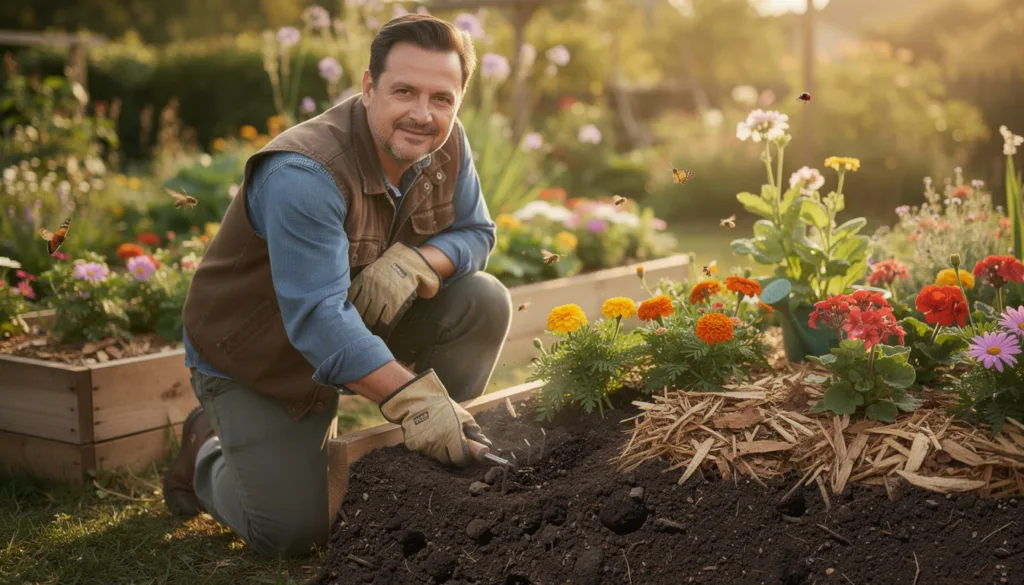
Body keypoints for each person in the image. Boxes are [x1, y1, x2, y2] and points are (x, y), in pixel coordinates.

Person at [164, 13, 512, 558]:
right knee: (294, 532)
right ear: (369, 88)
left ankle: (438, 454)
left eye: (442, 98)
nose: (423, 114)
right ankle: (205, 448)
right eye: (404, 91)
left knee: (483, 299)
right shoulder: (304, 172)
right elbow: (318, 320)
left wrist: (420, 262)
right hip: (260, 356)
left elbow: (476, 231)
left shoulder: (446, 142)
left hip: (355, 323)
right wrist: (412, 399)